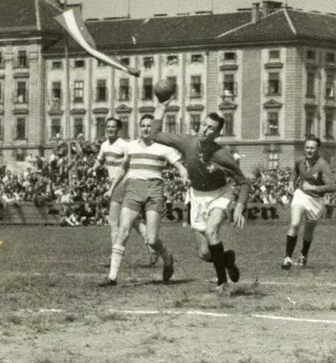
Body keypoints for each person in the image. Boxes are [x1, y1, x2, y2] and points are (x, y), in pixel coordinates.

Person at [150, 103, 249, 296]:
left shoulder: (222, 155)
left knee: (212, 231)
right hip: (196, 196)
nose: (205, 129)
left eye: (211, 128)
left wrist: (239, 207)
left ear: (217, 134)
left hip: (220, 194)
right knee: (204, 253)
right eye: (204, 125)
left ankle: (222, 283)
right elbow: (155, 134)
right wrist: (161, 106)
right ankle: (227, 260)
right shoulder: (187, 142)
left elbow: (244, 182)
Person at [100, 114, 185, 287]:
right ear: (139, 128)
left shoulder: (163, 148)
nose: (146, 129)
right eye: (143, 126)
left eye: (149, 126)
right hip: (133, 190)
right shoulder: (131, 147)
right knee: (122, 232)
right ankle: (112, 277)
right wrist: (111, 188)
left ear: (153, 129)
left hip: (154, 191)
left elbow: (180, 166)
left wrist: (184, 175)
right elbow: (123, 169)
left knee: (152, 240)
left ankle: (168, 259)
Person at [93, 117, 155, 266]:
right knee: (133, 221)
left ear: (118, 129)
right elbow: (100, 160)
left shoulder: (124, 145)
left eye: (113, 127)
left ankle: (115, 256)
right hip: (116, 185)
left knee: (113, 221)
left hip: (122, 184)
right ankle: (153, 247)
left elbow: (131, 162)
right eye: (108, 126)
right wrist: (93, 168)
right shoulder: (104, 145)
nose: (110, 129)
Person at [282, 135, 336, 269]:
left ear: (318, 149)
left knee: (308, 233)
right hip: (301, 194)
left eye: (312, 148)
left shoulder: (322, 165)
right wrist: (290, 182)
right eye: (307, 147)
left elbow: (332, 187)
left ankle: (303, 256)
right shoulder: (300, 160)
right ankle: (287, 258)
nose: (309, 150)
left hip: (315, 200)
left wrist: (313, 187)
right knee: (294, 224)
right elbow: (295, 170)